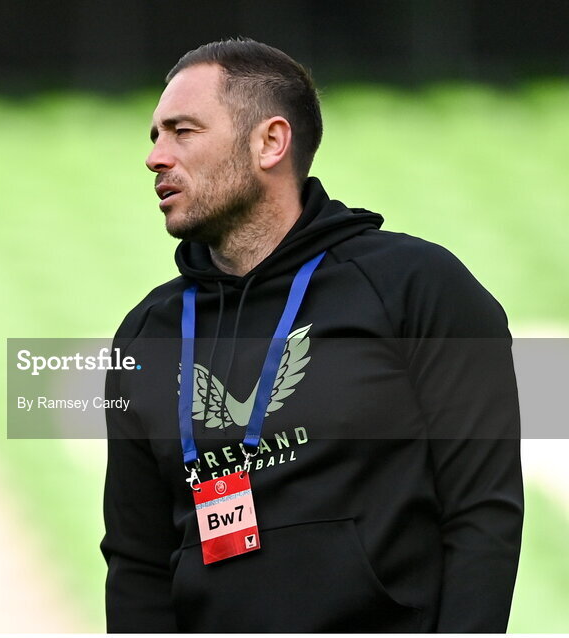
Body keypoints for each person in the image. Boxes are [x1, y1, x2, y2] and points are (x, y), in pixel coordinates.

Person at [101, 38, 522, 633]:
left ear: (270, 142)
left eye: (182, 131)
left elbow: (483, 514)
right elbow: (136, 560)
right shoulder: (144, 335)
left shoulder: (420, 288)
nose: (156, 157)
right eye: (154, 136)